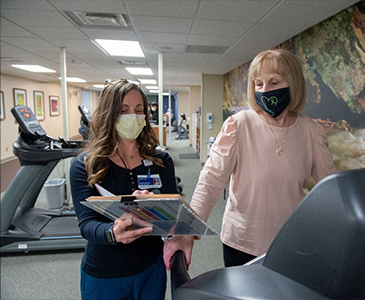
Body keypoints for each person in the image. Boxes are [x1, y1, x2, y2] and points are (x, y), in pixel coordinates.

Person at [163, 49, 338, 269]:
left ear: (293, 84)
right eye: (258, 84)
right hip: (242, 243)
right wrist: (186, 230)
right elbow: (210, 182)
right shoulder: (238, 125)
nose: (265, 91)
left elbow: (332, 189)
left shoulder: (311, 131)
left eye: (274, 82)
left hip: (291, 242)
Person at [70, 79, 178, 300]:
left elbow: (173, 216)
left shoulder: (161, 161)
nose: (133, 117)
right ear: (109, 114)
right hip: (104, 273)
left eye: (139, 110)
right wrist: (113, 232)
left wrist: (154, 208)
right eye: (124, 110)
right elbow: (87, 224)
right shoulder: (86, 165)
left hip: (151, 268)